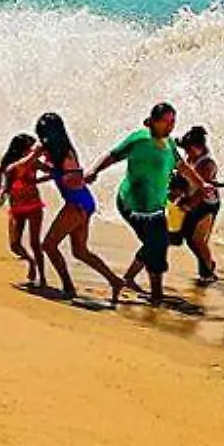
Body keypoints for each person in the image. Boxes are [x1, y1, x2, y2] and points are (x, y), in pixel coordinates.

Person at [86, 103, 206, 306]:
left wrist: (201, 185)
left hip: (156, 206)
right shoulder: (139, 139)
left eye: (173, 121)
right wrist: (94, 170)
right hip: (132, 204)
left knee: (157, 246)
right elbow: (113, 155)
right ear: (154, 120)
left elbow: (182, 166)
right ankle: (142, 287)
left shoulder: (169, 144)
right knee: (156, 243)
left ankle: (151, 292)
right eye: (166, 121)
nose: (170, 126)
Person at [34, 113, 124, 303]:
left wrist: (50, 170)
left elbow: (75, 179)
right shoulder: (58, 151)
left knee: (48, 245)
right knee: (80, 251)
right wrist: (44, 173)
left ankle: (68, 287)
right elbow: (64, 175)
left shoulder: (65, 153)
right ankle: (115, 281)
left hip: (77, 203)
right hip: (83, 202)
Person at [0, 133, 46, 286]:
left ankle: (42, 279)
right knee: (14, 245)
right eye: (31, 148)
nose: (33, 152)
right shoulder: (9, 165)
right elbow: (3, 183)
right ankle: (31, 263)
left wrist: (41, 179)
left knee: (35, 243)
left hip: (34, 206)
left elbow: (51, 172)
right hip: (16, 208)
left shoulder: (34, 163)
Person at [177, 126, 221, 285]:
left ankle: (207, 273)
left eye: (190, 149)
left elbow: (202, 191)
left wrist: (188, 205)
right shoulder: (189, 156)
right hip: (192, 201)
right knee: (188, 239)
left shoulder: (207, 164)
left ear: (200, 148)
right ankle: (209, 264)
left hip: (207, 204)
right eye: (186, 149)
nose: (187, 153)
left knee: (198, 239)